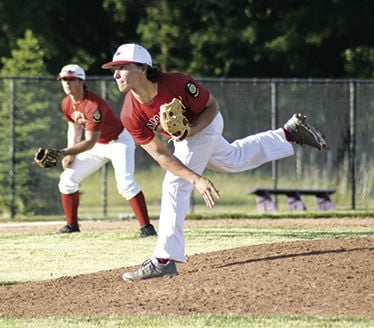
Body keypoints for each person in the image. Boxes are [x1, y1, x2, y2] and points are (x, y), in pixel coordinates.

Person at [101, 43, 328, 280]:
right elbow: (160, 155)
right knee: (234, 159)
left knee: (174, 186)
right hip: (184, 140)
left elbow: (211, 106)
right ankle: (288, 133)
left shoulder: (177, 83)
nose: (116, 73)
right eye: (114, 68)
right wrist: (196, 177)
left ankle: (163, 259)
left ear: (143, 68)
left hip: (204, 126)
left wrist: (194, 133)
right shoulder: (130, 113)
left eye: (122, 67)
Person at [55, 64, 157, 238]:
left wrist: (63, 152)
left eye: (71, 79)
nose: (67, 83)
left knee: (125, 184)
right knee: (67, 179)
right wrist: (71, 153)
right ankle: (72, 225)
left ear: (81, 82)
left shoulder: (93, 106)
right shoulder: (66, 103)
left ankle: (147, 227)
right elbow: (74, 128)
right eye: (64, 80)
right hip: (98, 146)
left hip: (118, 142)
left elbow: (89, 141)